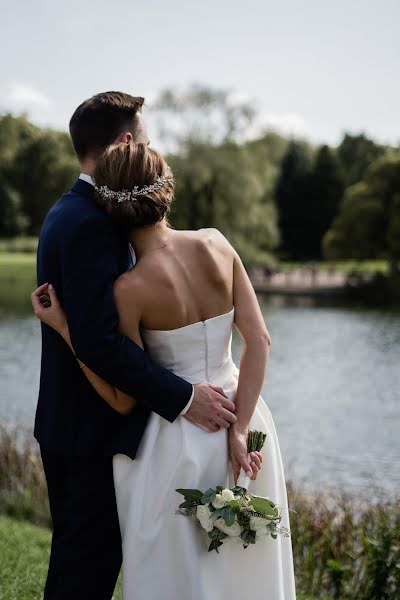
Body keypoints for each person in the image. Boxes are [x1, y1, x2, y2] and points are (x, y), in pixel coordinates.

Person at [32, 139, 296, 599]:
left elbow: (123, 397)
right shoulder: (216, 243)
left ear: (108, 206)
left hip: (173, 443)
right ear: (167, 188)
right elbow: (259, 340)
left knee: (178, 575)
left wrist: (64, 329)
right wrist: (238, 429)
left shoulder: (129, 290)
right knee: (244, 571)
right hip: (244, 420)